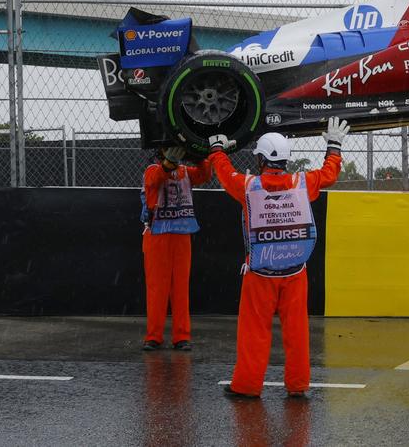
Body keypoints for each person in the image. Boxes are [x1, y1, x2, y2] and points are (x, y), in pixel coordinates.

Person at [206, 118, 348, 399]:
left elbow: (223, 173)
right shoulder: (302, 182)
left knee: (254, 332)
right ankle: (298, 386)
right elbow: (329, 174)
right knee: (297, 333)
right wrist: (334, 145)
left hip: (260, 274)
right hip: (295, 273)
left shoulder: (247, 185)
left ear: (261, 158)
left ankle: (246, 386)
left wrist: (217, 150)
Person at [141, 145, 211, 352]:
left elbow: (205, 175)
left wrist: (198, 156)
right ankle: (153, 336)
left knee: (180, 287)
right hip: (156, 235)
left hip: (181, 234)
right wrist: (168, 163)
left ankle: (181, 336)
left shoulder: (185, 173)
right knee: (157, 288)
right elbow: (155, 179)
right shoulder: (151, 169)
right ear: (160, 153)